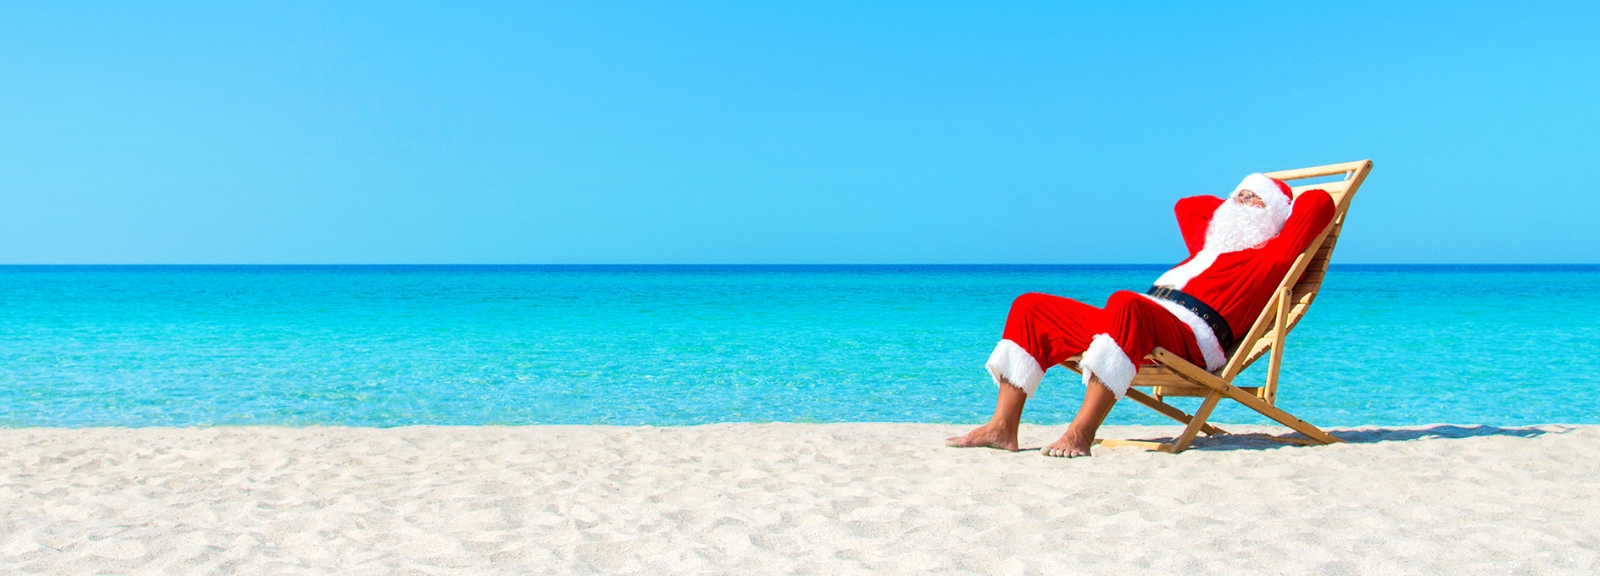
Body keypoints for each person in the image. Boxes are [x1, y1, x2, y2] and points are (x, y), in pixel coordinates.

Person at [946, 173, 1335, 457]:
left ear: (1278, 216)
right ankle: (1002, 428)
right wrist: (1236, 208)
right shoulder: (1208, 247)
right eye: (1239, 195)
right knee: (1031, 306)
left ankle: (1081, 433)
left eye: (1255, 200)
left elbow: (1319, 203)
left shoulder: (1273, 255)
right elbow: (1187, 206)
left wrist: (1277, 205)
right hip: (1143, 323)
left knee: (1126, 303)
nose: (1241, 204)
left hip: (1191, 339)